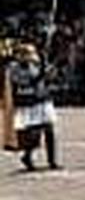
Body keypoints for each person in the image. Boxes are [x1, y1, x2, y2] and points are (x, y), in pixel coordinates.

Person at [2, 41, 59, 171]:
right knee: (33, 134)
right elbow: (26, 82)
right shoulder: (13, 68)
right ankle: (27, 156)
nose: (30, 58)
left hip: (42, 99)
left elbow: (47, 78)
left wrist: (49, 70)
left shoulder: (35, 64)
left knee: (49, 130)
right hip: (28, 102)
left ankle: (52, 161)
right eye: (27, 55)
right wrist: (42, 72)